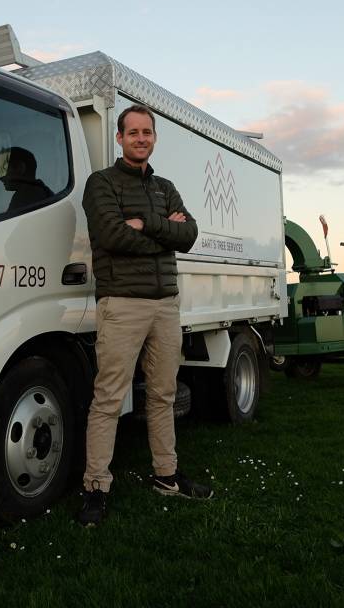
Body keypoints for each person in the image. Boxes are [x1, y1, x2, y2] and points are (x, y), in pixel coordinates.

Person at [76, 103, 213, 527]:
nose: (140, 138)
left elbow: (188, 235)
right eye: (132, 132)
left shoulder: (165, 187)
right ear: (119, 138)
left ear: (154, 138)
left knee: (162, 395)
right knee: (109, 399)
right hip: (122, 304)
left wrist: (146, 223)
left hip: (165, 305)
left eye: (147, 132)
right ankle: (95, 486)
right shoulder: (101, 184)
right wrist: (161, 232)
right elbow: (112, 236)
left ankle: (166, 476)